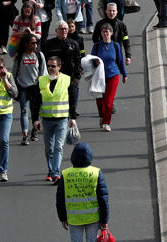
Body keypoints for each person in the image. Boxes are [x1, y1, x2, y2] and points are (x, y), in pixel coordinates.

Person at [56, 142, 110, 241]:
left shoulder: (66, 174)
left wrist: (62, 217)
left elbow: (60, 199)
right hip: (93, 217)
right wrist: (104, 220)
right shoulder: (96, 173)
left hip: (74, 218)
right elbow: (103, 198)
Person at [36, 54, 74, 182]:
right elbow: (36, 101)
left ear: (59, 67)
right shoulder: (42, 80)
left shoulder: (67, 80)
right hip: (47, 119)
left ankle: (55, 173)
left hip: (61, 119)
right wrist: (35, 119)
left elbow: (72, 99)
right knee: (49, 148)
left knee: (58, 146)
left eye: (53, 66)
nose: (50, 68)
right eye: (48, 66)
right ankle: (50, 170)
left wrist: (73, 118)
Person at [90, 23, 125, 132]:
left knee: (108, 100)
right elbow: (90, 60)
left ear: (111, 33)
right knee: (99, 99)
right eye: (104, 32)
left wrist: (124, 74)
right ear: (101, 33)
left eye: (108, 31)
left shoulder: (115, 46)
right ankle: (102, 116)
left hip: (113, 75)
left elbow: (120, 61)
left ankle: (106, 122)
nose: (106, 34)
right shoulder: (97, 46)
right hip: (99, 76)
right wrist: (94, 63)